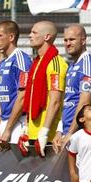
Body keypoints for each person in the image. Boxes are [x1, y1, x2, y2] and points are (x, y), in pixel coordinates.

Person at [20, 21, 67, 157]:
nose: (30, 35)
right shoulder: (36, 62)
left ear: (46, 37)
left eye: (34, 32)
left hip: (48, 137)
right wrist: (26, 130)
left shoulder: (56, 63)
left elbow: (55, 101)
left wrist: (44, 132)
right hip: (33, 134)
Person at [54, 23, 91, 152]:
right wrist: (60, 130)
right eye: (65, 40)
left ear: (83, 40)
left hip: (81, 132)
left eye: (72, 39)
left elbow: (84, 103)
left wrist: (70, 132)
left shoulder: (88, 65)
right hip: (68, 131)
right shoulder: (71, 65)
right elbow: (66, 100)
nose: (67, 43)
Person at [0, 20, 32, 149]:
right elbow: (0, 98)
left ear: (11, 37)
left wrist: (8, 128)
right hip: (4, 123)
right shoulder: (3, 63)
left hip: (18, 123)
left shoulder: (21, 59)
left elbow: (23, 95)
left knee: (19, 166)